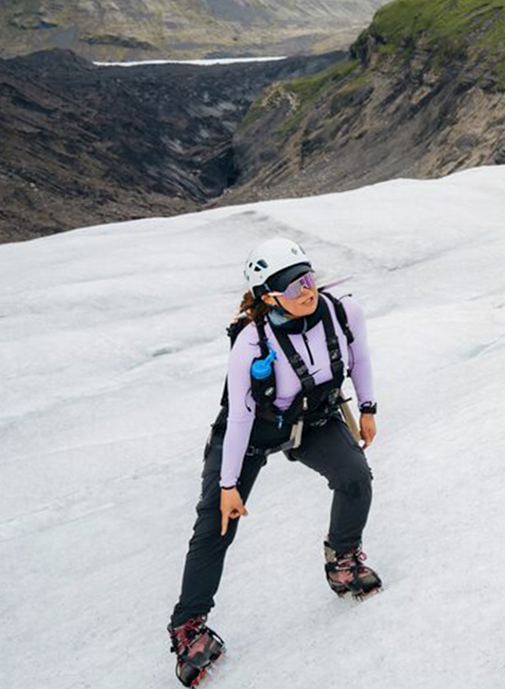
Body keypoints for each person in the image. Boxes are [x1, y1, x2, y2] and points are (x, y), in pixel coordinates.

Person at [168, 238, 381, 687]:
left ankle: (343, 561)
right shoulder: (251, 342)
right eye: (292, 286)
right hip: (252, 434)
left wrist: (368, 407)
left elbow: (359, 358)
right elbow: (241, 414)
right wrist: (229, 486)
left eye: (309, 277)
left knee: (355, 478)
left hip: (315, 420)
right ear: (267, 297)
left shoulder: (344, 312)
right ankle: (188, 628)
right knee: (216, 525)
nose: (307, 290)